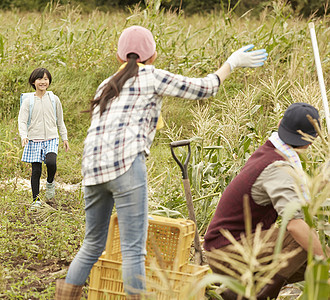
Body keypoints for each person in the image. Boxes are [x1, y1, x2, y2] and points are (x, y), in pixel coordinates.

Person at [55, 25, 267, 299]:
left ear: (119, 57)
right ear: (152, 55)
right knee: (133, 249)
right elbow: (205, 88)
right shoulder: (151, 76)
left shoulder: (106, 84)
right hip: (126, 165)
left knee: (92, 244)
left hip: (92, 170)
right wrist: (232, 63)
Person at [203, 103, 328, 300]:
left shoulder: (271, 150)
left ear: (280, 124)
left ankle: (238, 291)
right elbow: (296, 226)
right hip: (227, 250)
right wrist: (325, 263)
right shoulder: (278, 167)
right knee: (303, 241)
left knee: (309, 255)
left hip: (233, 243)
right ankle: (255, 296)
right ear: (310, 141)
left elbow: (296, 201)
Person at [18, 67, 69, 207]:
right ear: (33, 82)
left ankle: (50, 182)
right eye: (40, 79)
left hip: (52, 138)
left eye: (46, 79)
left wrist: (64, 138)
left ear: (49, 81)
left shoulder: (54, 99)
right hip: (34, 139)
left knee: (51, 162)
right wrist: (24, 136)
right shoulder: (28, 101)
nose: (43, 82)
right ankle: (36, 200)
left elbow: (60, 120)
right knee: (36, 170)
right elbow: (22, 121)